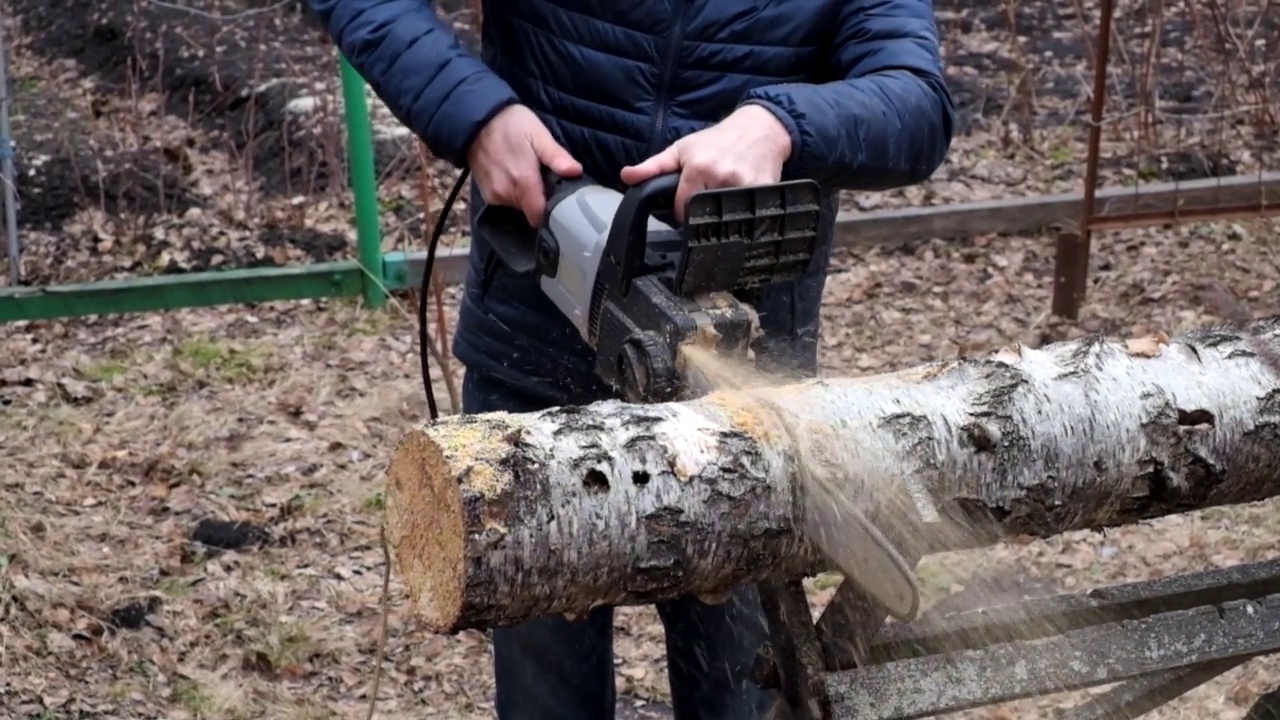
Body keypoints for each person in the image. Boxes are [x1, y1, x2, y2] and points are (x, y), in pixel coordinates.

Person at [309, 1, 955, 718]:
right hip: (537, 357)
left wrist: (780, 124)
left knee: (741, 686)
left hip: (738, 387)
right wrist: (477, 115)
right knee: (548, 692)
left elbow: (916, 100)